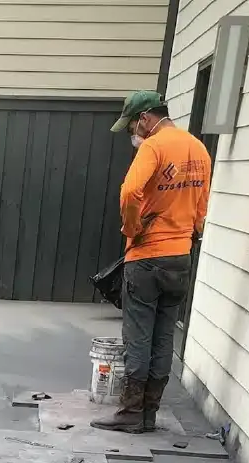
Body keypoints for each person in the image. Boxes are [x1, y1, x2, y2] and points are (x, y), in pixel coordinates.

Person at [92, 90, 211, 433]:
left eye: (133, 124)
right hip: (180, 257)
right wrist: (191, 233)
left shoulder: (154, 147)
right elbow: (201, 204)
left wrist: (131, 227)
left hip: (147, 257)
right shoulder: (199, 148)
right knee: (164, 336)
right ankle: (149, 413)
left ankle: (130, 414)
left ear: (145, 118)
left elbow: (130, 191)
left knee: (139, 335)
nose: (133, 131)